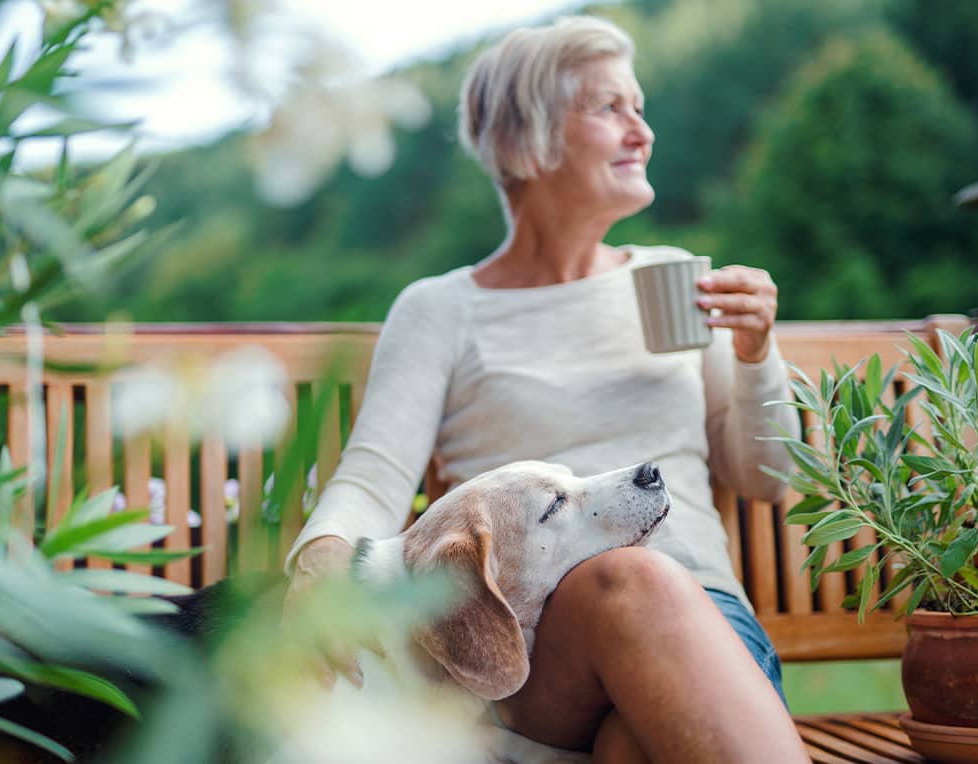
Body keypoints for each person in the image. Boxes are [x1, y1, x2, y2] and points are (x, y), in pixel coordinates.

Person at [282, 15, 808, 764]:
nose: (642, 131)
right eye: (610, 108)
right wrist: (321, 561)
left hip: (707, 633)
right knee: (628, 582)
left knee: (634, 743)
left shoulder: (677, 276)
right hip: (525, 656)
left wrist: (757, 350)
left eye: (641, 107)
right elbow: (374, 474)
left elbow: (766, 474)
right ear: (525, 139)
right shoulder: (441, 310)